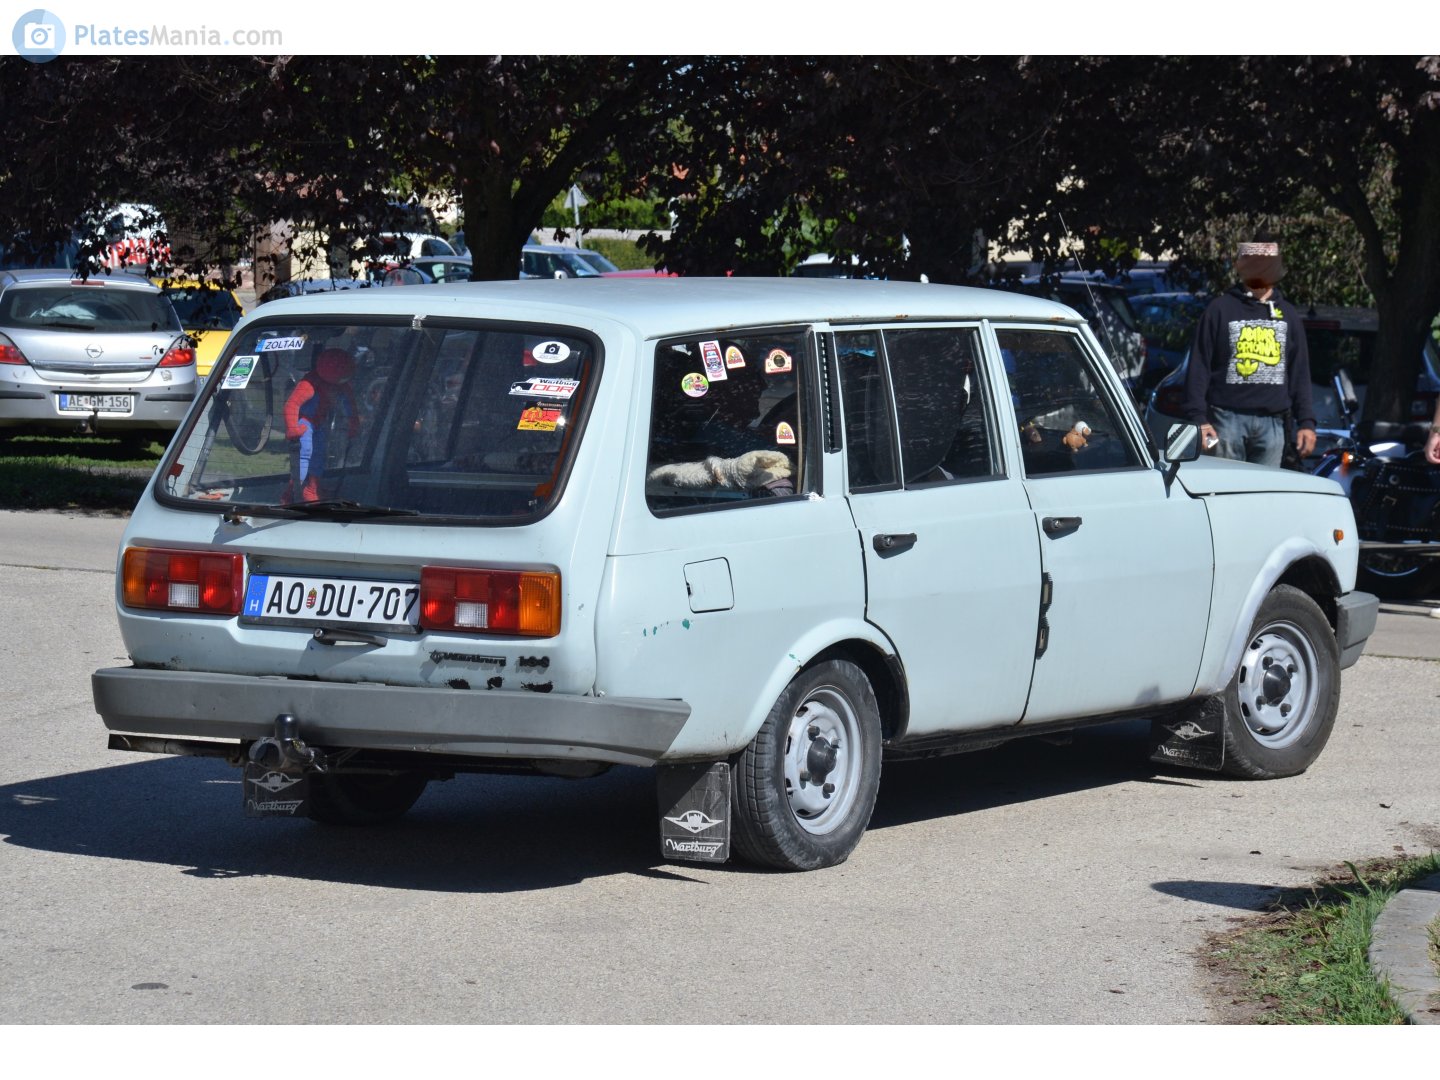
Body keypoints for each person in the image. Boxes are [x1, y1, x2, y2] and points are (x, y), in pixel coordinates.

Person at [1182, 241, 1317, 467]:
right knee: (1223, 490)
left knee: (1264, 496)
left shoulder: (1289, 315)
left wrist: (1306, 423)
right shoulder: (1219, 309)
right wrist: (1199, 419)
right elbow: (1199, 367)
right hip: (1225, 421)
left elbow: (1299, 374)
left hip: (1273, 425)